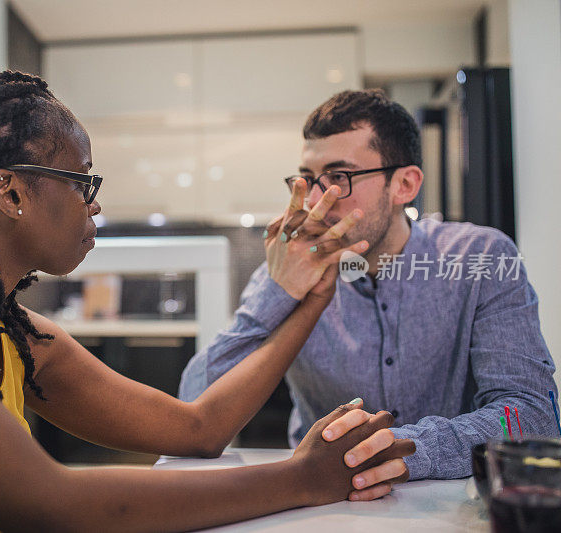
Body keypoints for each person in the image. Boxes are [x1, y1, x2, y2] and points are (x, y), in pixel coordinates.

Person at [0, 22, 415, 532]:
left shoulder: (14, 333)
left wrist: (313, 297)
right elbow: (46, 505)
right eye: (84, 180)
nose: (96, 203)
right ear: (10, 190)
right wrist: (301, 479)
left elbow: (198, 426)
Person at [180, 88, 559, 482]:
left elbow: (531, 415)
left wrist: (409, 449)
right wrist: (277, 291)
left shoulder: (481, 259)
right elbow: (192, 403)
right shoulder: (284, 278)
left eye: (338, 177)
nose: (314, 200)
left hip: (451, 505)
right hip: (321, 504)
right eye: (308, 179)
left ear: (405, 185)